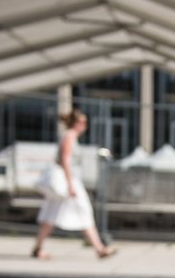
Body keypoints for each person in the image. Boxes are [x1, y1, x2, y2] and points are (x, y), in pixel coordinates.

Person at [31, 107, 116, 260]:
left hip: (66, 180)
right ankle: (99, 248)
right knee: (83, 211)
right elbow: (65, 160)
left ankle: (38, 248)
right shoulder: (70, 135)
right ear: (75, 123)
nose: (85, 125)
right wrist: (70, 184)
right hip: (67, 180)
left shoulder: (70, 136)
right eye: (83, 122)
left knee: (51, 214)